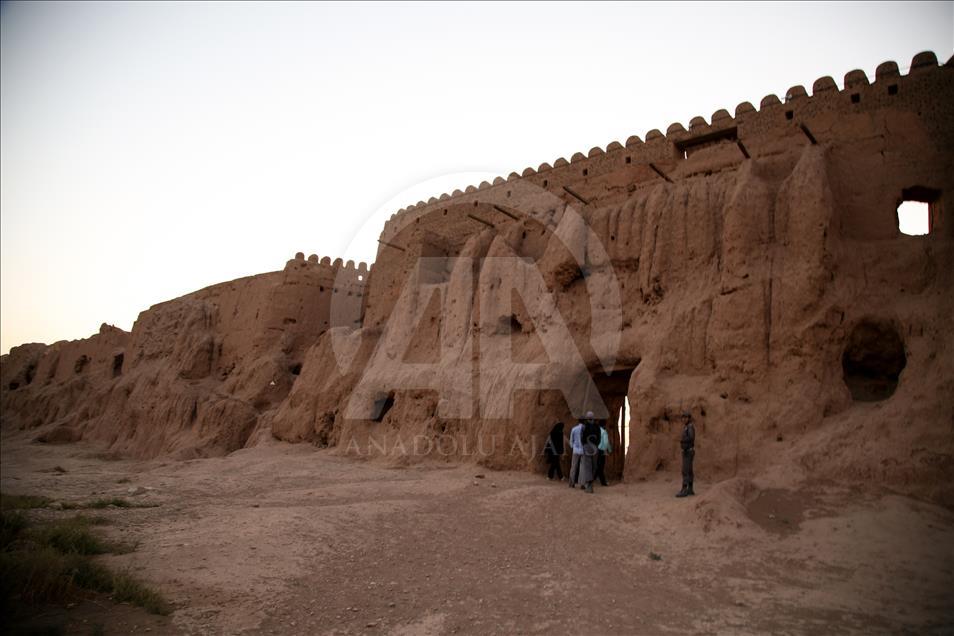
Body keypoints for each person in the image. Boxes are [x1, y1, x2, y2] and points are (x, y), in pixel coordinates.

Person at [579, 412, 600, 494]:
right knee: (594, 465)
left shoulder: (584, 427)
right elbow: (599, 437)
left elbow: (581, 438)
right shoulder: (597, 426)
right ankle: (590, 484)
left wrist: (584, 445)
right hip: (594, 447)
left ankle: (589, 485)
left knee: (588, 466)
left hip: (587, 447)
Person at [676, 411, 696, 498]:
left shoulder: (690, 427)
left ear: (689, 418)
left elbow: (691, 438)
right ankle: (690, 489)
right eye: (683, 417)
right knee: (689, 470)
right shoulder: (687, 427)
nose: (684, 419)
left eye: (686, 417)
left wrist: (683, 440)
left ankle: (684, 489)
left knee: (685, 470)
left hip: (688, 451)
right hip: (688, 451)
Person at [568, 418, 585, 488]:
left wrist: (573, 447)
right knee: (582, 467)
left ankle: (571, 483)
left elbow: (571, 440)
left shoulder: (574, 429)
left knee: (573, 466)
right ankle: (582, 484)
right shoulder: (585, 429)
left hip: (575, 450)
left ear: (578, 421)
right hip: (583, 450)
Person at [595, 419, 612, 487]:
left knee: (597, 465)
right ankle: (603, 482)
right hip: (601, 451)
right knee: (601, 467)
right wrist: (609, 450)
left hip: (595, 450)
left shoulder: (596, 431)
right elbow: (606, 443)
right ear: (604, 425)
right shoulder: (604, 432)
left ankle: (595, 478)